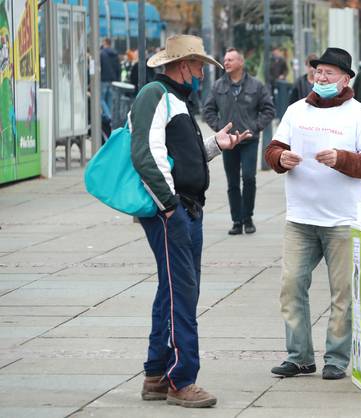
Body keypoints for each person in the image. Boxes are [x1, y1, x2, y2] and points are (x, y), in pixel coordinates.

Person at [131, 34, 252, 408]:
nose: (202, 72)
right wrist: (169, 208)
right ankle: (180, 379)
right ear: (183, 65)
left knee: (173, 290)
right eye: (199, 65)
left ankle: (156, 374)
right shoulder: (156, 95)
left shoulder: (174, 100)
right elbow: (145, 156)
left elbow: (181, 158)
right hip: (174, 211)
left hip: (181, 208)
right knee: (182, 293)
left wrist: (217, 145)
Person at [264, 47, 361, 380]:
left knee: (343, 293)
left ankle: (336, 358)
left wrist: (342, 159)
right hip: (300, 217)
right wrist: (279, 159)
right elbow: (274, 148)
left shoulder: (360, 115)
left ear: (346, 79)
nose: (321, 77)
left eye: (329, 73)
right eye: (318, 72)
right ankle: (300, 356)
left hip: (342, 221)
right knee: (291, 287)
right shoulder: (296, 111)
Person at [203, 48, 276, 235]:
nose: (226, 62)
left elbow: (269, 109)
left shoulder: (256, 86)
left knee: (249, 178)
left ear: (241, 63)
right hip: (228, 143)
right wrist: (219, 129)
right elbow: (208, 110)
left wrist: (255, 127)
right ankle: (236, 221)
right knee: (232, 182)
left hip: (249, 140)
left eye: (230, 60)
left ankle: (248, 218)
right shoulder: (218, 86)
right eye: (225, 59)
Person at [100, 38, 121, 119]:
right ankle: (108, 118)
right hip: (113, 80)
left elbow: (99, 67)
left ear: (105, 43)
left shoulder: (102, 54)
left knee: (101, 99)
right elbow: (118, 68)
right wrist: (118, 79)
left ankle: (108, 116)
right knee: (109, 100)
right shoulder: (115, 54)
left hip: (104, 79)